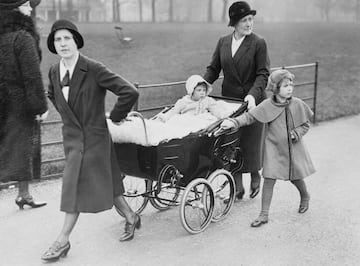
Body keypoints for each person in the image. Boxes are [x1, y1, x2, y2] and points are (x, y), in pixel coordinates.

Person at [41, 20, 140, 262]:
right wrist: (69, 118)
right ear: (53, 45)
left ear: (76, 41)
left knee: (72, 187)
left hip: (94, 141)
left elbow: (130, 92)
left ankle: (62, 240)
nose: (62, 43)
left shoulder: (93, 68)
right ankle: (130, 216)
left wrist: (115, 117)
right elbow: (53, 95)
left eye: (67, 38)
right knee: (107, 181)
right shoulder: (55, 71)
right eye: (57, 39)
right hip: (72, 140)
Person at [220, 69, 315, 227]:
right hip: (273, 148)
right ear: (276, 88)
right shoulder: (267, 105)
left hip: (292, 149)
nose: (290, 88)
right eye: (285, 85)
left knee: (295, 177)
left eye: (291, 84)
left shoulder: (297, 104)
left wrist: (297, 133)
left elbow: (305, 124)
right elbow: (250, 116)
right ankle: (264, 215)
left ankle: (305, 196)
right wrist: (234, 122)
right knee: (269, 178)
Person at [203, 1, 270, 200]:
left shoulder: (258, 42)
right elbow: (213, 69)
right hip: (229, 100)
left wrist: (252, 95)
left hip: (253, 99)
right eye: (244, 20)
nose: (249, 24)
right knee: (232, 141)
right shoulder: (223, 42)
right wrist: (201, 86)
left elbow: (263, 74)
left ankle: (255, 175)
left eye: (251, 19)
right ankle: (237, 187)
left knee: (250, 142)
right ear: (234, 23)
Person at [0, 0, 48, 209]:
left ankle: (24, 195)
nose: (30, 9)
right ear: (16, 9)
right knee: (22, 148)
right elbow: (32, 77)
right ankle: (24, 194)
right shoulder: (23, 37)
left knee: (10, 148)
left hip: (2, 102)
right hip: (19, 106)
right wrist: (40, 107)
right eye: (27, 5)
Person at [157, 75, 226, 122]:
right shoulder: (184, 102)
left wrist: (222, 115)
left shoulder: (207, 100)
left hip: (202, 121)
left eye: (204, 90)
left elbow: (215, 109)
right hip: (188, 122)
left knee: (211, 119)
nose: (202, 93)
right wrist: (165, 117)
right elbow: (174, 111)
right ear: (192, 91)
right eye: (199, 90)